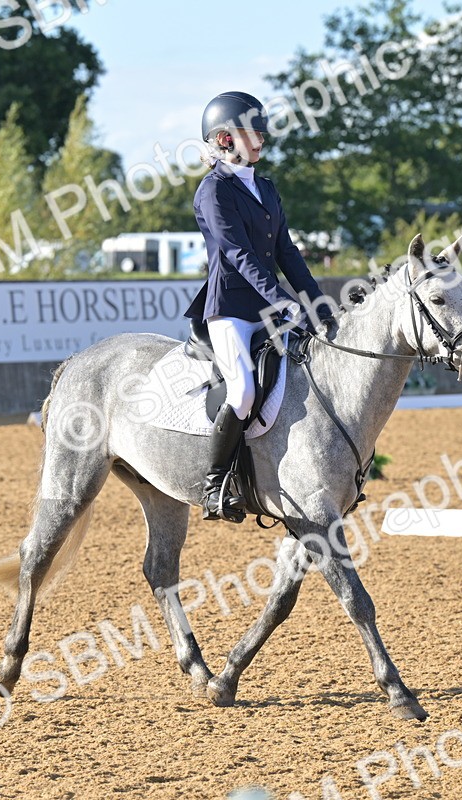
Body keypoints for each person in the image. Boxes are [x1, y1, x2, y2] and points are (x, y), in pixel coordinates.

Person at [183, 90, 334, 523]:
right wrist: (281, 300)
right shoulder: (214, 190)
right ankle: (215, 484)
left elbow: (287, 253)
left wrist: (317, 304)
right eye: (255, 131)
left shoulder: (265, 187)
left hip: (272, 306)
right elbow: (238, 254)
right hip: (230, 310)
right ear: (225, 138)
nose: (264, 138)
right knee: (244, 391)